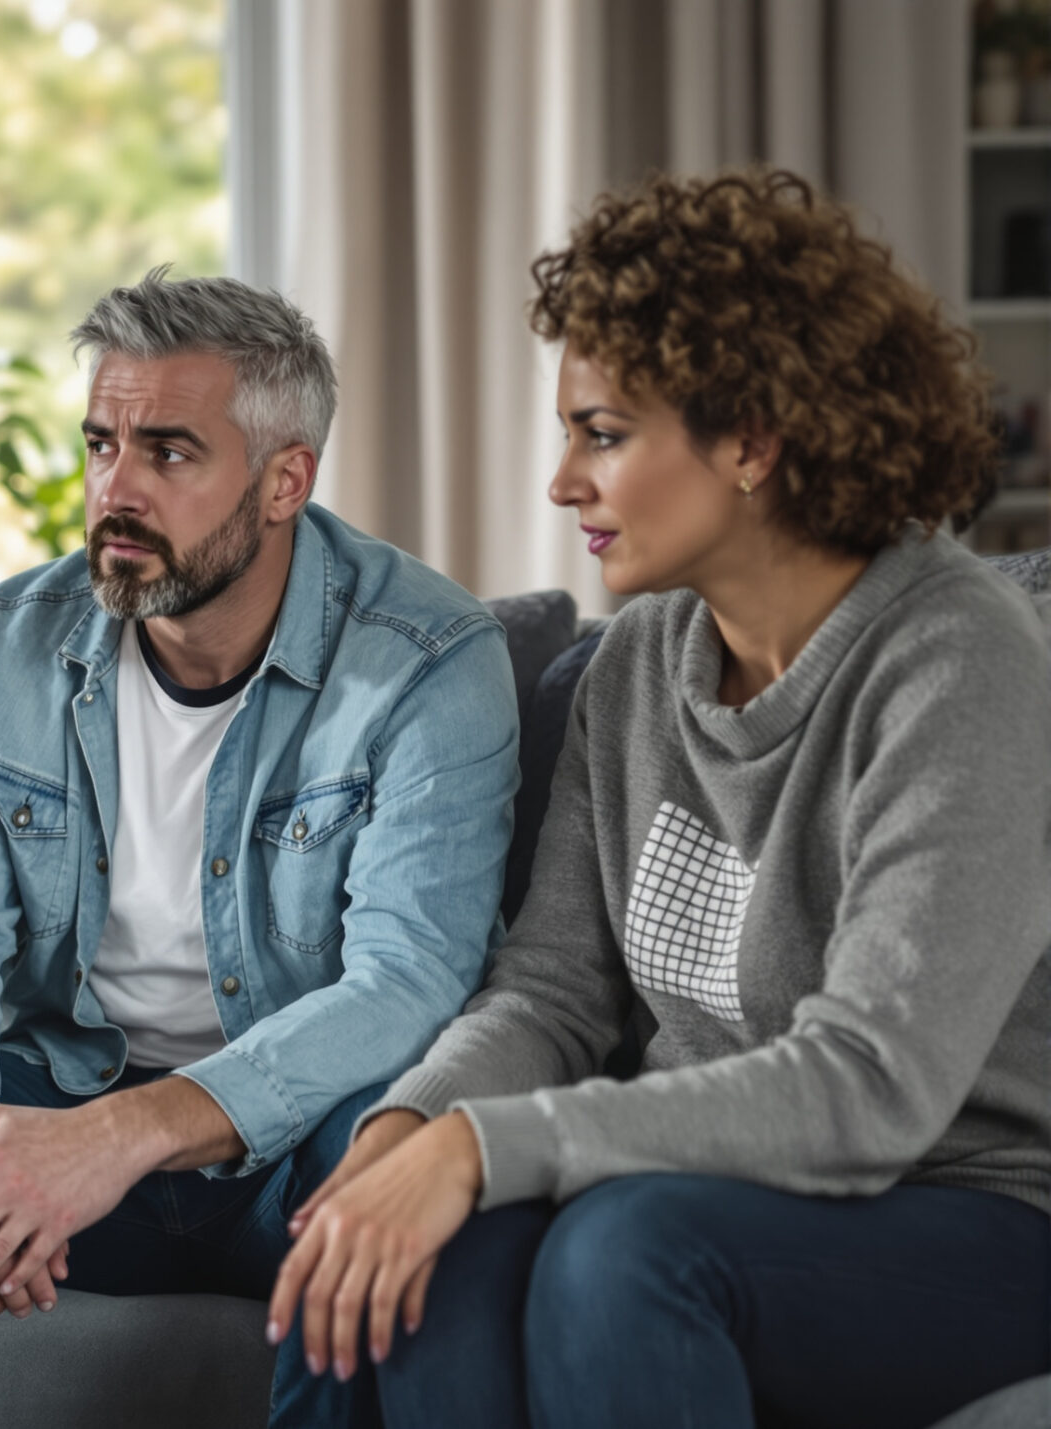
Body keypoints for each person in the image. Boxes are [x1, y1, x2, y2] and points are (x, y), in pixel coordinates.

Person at [271, 169, 1051, 1429]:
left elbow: (868, 1083)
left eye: (604, 431)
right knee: (426, 1262)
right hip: (687, 1182)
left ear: (750, 438)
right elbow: (553, 992)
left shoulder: (959, 659)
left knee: (623, 1250)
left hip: (968, 1207)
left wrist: (486, 1148)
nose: (561, 482)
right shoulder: (636, 666)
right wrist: (406, 1128)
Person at [0, 271, 522, 1428]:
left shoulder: (426, 656)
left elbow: (406, 980)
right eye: (101, 444)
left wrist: (118, 1138)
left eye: (168, 453)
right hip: (46, 1096)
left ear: (284, 478)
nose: (117, 488)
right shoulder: (3, 646)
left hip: (292, 1137)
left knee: (409, 1171)